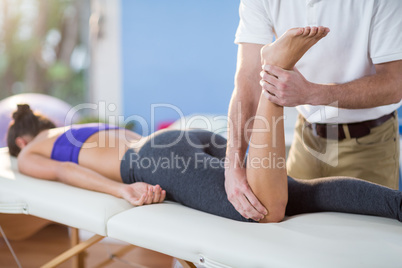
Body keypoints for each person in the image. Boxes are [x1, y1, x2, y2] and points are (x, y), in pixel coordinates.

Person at [7, 27, 402, 223]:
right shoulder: (75, 130)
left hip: (151, 160)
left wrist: (122, 189)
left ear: (21, 139)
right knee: (298, 193)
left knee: (264, 208)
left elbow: (66, 171)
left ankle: (274, 73)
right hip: (176, 140)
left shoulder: (29, 153)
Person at [225, 0, 402, 221]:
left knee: (361, 241)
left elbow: (395, 84)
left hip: (367, 143)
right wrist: (233, 165)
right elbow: (248, 80)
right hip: (306, 137)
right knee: (282, 225)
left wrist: (312, 93)